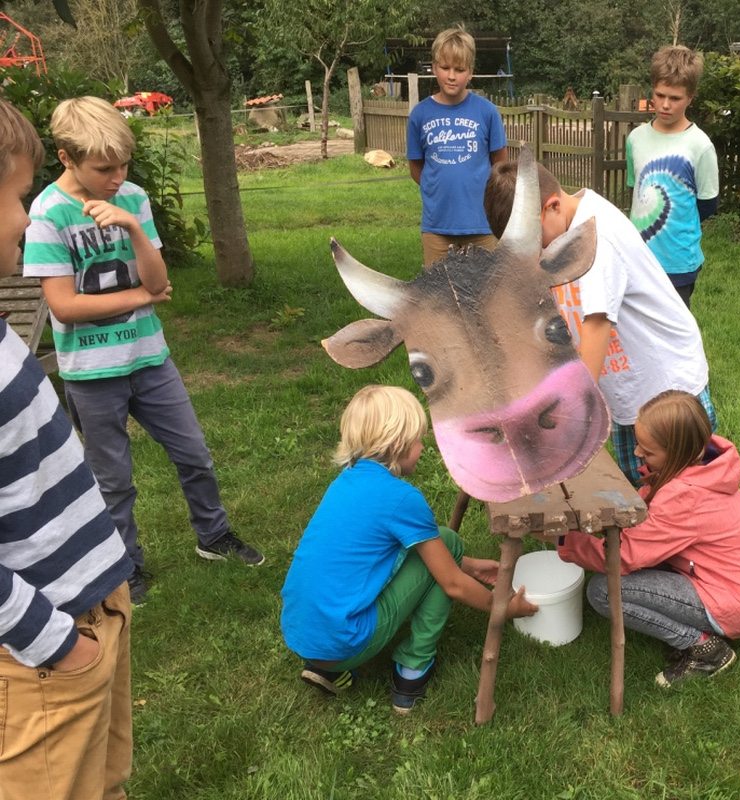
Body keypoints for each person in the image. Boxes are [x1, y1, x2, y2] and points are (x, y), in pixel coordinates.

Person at [23, 96, 264, 605]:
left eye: (123, 165)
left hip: (150, 360)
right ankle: (125, 567)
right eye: (103, 168)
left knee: (195, 455)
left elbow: (160, 278)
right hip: (90, 374)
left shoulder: (131, 198)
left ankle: (214, 537)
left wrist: (131, 226)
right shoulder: (46, 213)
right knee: (113, 480)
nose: (116, 177)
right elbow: (64, 306)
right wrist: (141, 297)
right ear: (66, 157)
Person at [0, 98, 134, 800]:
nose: (27, 217)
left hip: (94, 599)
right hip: (46, 647)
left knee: (105, 783)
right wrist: (57, 645)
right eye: (16, 196)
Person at [280, 385, 536, 713]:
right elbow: (452, 584)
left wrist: (468, 566)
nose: (422, 445)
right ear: (396, 443)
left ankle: (326, 667)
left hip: (301, 631)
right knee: (449, 541)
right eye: (417, 439)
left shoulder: (345, 481)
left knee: (440, 550)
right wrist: (503, 608)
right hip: (343, 640)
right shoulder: (402, 499)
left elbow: (379, 553)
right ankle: (412, 670)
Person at [483, 155, 716, 485]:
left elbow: (594, 325)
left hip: (667, 390)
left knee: (687, 496)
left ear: (552, 206)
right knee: (637, 495)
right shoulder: (562, 229)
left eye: (534, 241)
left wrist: (570, 418)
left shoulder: (597, 240)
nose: (534, 254)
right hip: (626, 391)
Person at [555, 390, 740, 688]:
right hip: (729, 581)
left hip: (731, 601)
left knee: (604, 591)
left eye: (648, 450)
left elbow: (624, 556)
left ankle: (704, 648)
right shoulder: (704, 466)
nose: (638, 454)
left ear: (677, 451)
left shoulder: (685, 496)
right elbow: (647, 525)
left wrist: (565, 539)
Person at [407, 25, 508, 267]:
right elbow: (415, 167)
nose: (451, 76)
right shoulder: (419, 115)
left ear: (470, 72)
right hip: (436, 227)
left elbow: (501, 166)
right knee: (440, 298)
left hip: (481, 225)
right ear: (434, 67)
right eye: (445, 68)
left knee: (483, 296)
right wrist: (438, 189)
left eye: (459, 69)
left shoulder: (487, 112)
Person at [626, 45, 719, 308]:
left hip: (678, 262)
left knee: (672, 338)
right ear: (652, 89)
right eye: (660, 95)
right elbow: (635, 190)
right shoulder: (636, 139)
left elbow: (708, 204)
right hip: (639, 256)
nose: (665, 105)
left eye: (675, 98)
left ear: (691, 97)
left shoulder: (700, 146)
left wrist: (676, 222)